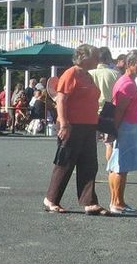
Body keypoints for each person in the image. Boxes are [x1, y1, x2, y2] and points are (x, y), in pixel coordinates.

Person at [43, 44, 111, 215]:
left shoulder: (87, 76)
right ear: (84, 57)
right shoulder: (70, 74)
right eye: (95, 56)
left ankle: (89, 202)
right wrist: (64, 124)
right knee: (65, 162)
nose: (98, 59)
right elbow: (61, 100)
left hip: (89, 124)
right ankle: (51, 199)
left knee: (89, 164)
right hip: (72, 124)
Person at [106, 50, 137, 214]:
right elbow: (119, 110)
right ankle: (117, 203)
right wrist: (114, 130)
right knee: (120, 166)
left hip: (127, 125)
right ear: (130, 64)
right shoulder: (127, 83)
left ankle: (116, 201)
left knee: (116, 165)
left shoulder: (125, 81)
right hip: (127, 126)